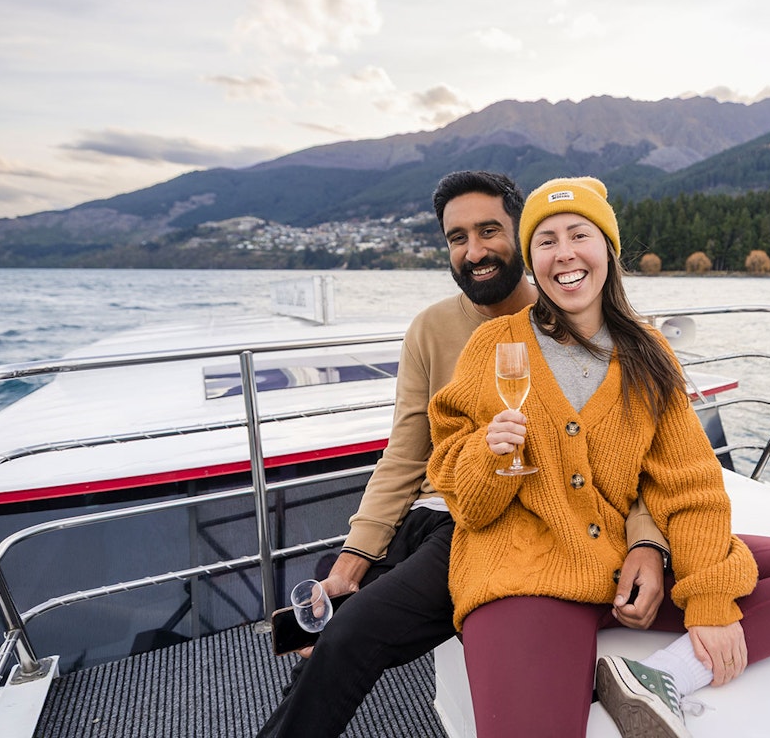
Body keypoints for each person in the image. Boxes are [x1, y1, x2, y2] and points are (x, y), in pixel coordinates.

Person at [427, 176, 770, 738]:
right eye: (546, 241)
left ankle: (657, 677)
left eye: (580, 234)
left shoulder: (649, 352)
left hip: (622, 571)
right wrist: (489, 453)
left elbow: (689, 482)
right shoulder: (495, 346)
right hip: (525, 577)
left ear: (608, 249)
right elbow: (467, 501)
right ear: (531, 261)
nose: (565, 254)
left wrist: (706, 596)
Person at [257, 171, 670, 738]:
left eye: (489, 230)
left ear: (521, 237)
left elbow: (642, 463)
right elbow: (404, 454)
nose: (474, 251)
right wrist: (356, 556)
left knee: (352, 632)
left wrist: (647, 538)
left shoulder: (578, 326)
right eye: (457, 238)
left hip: (488, 523)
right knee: (333, 584)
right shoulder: (431, 328)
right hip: (434, 509)